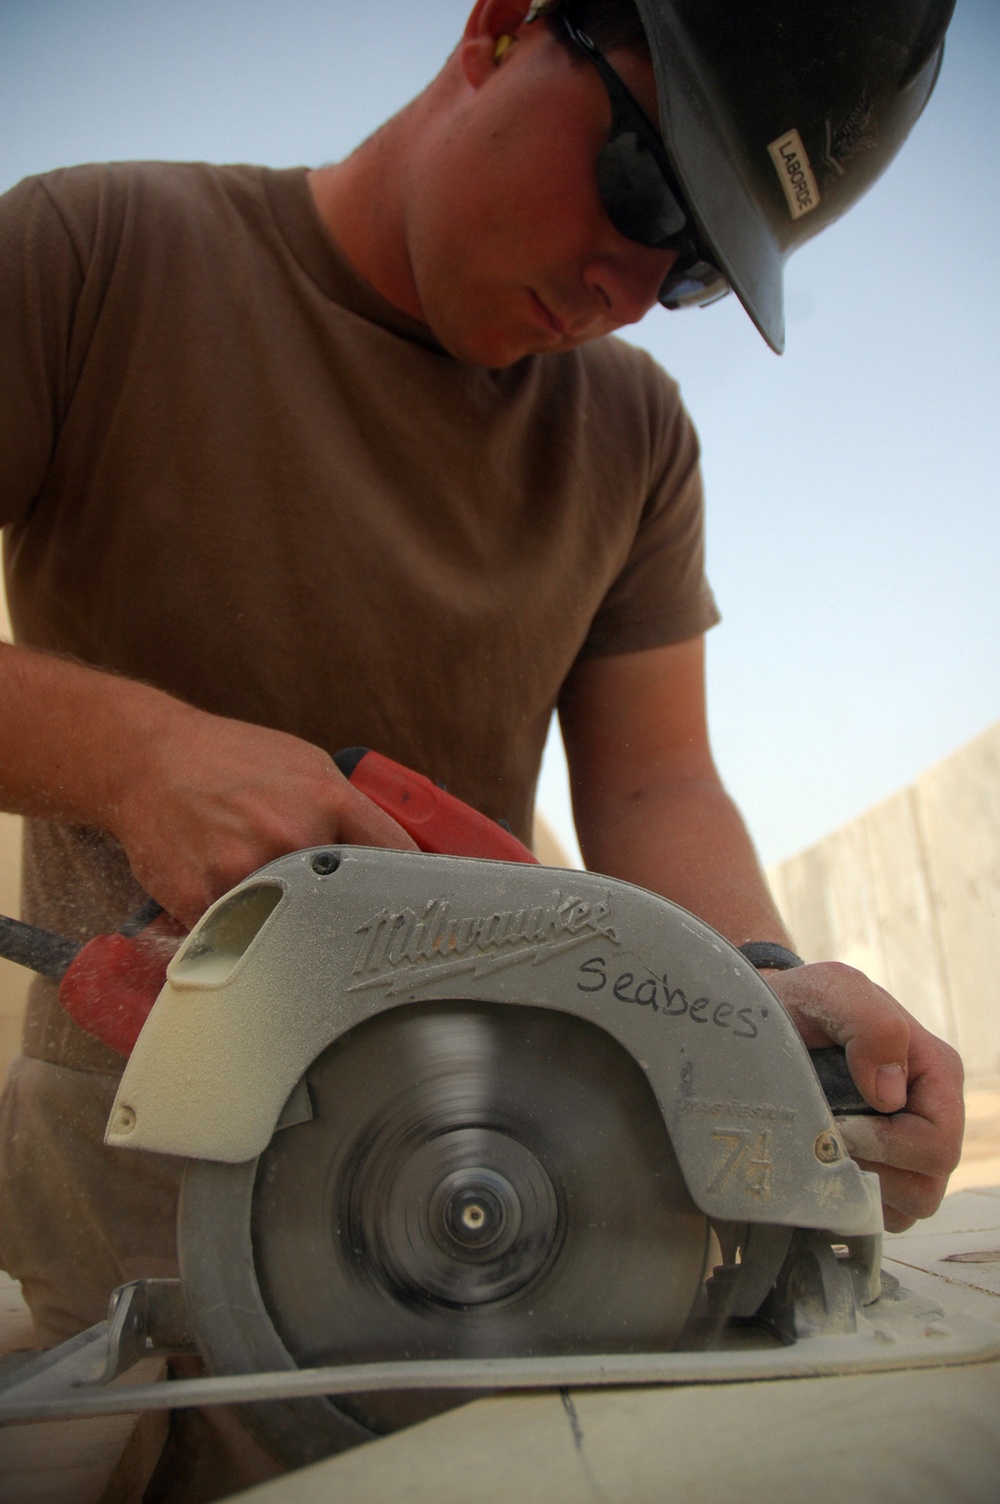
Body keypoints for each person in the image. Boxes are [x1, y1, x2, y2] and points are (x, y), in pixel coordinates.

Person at [0, 0, 964, 1492]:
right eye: (646, 184)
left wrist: (773, 1007)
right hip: (144, 1246)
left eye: (698, 268)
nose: (631, 287)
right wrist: (137, 756)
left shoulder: (631, 437)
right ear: (506, 27)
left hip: (532, 1210)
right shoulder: (95, 252)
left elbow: (654, 784)